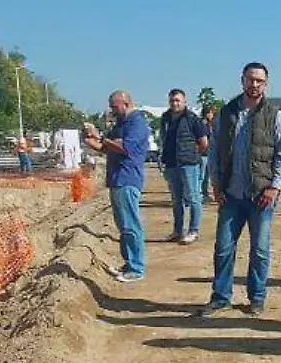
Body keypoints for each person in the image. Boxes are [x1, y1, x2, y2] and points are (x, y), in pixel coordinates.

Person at [203, 63, 281, 316]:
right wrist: (216, 184)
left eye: (260, 81)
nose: (255, 85)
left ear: (266, 84)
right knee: (223, 247)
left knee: (260, 249)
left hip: (261, 196)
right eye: (251, 80)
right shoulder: (226, 114)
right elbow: (214, 152)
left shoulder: (275, 116)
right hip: (231, 194)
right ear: (242, 80)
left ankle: (257, 297)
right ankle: (220, 297)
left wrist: (274, 187)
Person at [83, 91, 151, 283]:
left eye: (114, 106)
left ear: (126, 104)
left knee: (130, 225)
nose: (111, 110)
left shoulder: (136, 123)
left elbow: (124, 148)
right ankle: (129, 263)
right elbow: (108, 146)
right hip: (116, 178)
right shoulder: (122, 124)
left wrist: (101, 137)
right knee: (123, 226)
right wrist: (91, 141)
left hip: (127, 179)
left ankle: (136, 268)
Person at [159, 89, 210, 244]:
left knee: (194, 198)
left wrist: (192, 155)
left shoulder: (192, 119)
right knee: (176, 200)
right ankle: (177, 231)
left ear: (184, 101)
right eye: (172, 100)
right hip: (171, 164)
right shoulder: (165, 118)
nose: (175, 103)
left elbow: (204, 143)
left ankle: (193, 231)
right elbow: (163, 138)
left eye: (178, 100)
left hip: (189, 164)